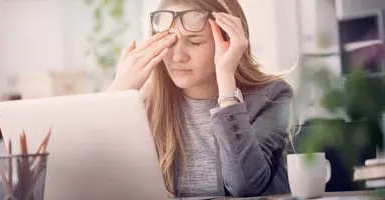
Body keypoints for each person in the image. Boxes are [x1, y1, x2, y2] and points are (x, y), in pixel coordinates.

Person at [108, 0, 295, 198]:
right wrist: (117, 95)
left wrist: (226, 83)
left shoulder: (272, 96)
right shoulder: (144, 104)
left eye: (195, 41)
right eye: (169, 42)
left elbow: (245, 187)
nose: (178, 57)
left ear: (228, 41)